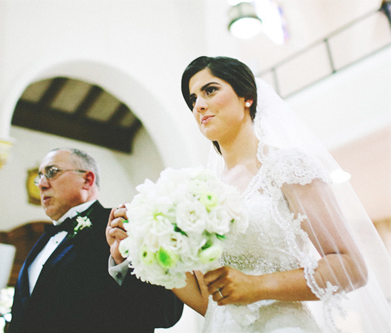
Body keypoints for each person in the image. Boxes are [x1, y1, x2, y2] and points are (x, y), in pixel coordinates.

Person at [108, 56, 391, 332]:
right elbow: (210, 302)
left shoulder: (287, 167)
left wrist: (258, 285)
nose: (199, 106)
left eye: (210, 90)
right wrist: (145, 246)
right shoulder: (199, 191)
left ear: (247, 97)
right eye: (193, 99)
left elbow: (350, 267)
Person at [9, 148, 183, 333]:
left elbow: (165, 311)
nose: (42, 184)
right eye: (40, 177)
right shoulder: (43, 242)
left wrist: (122, 263)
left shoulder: (124, 226)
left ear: (87, 180)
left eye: (52, 172)